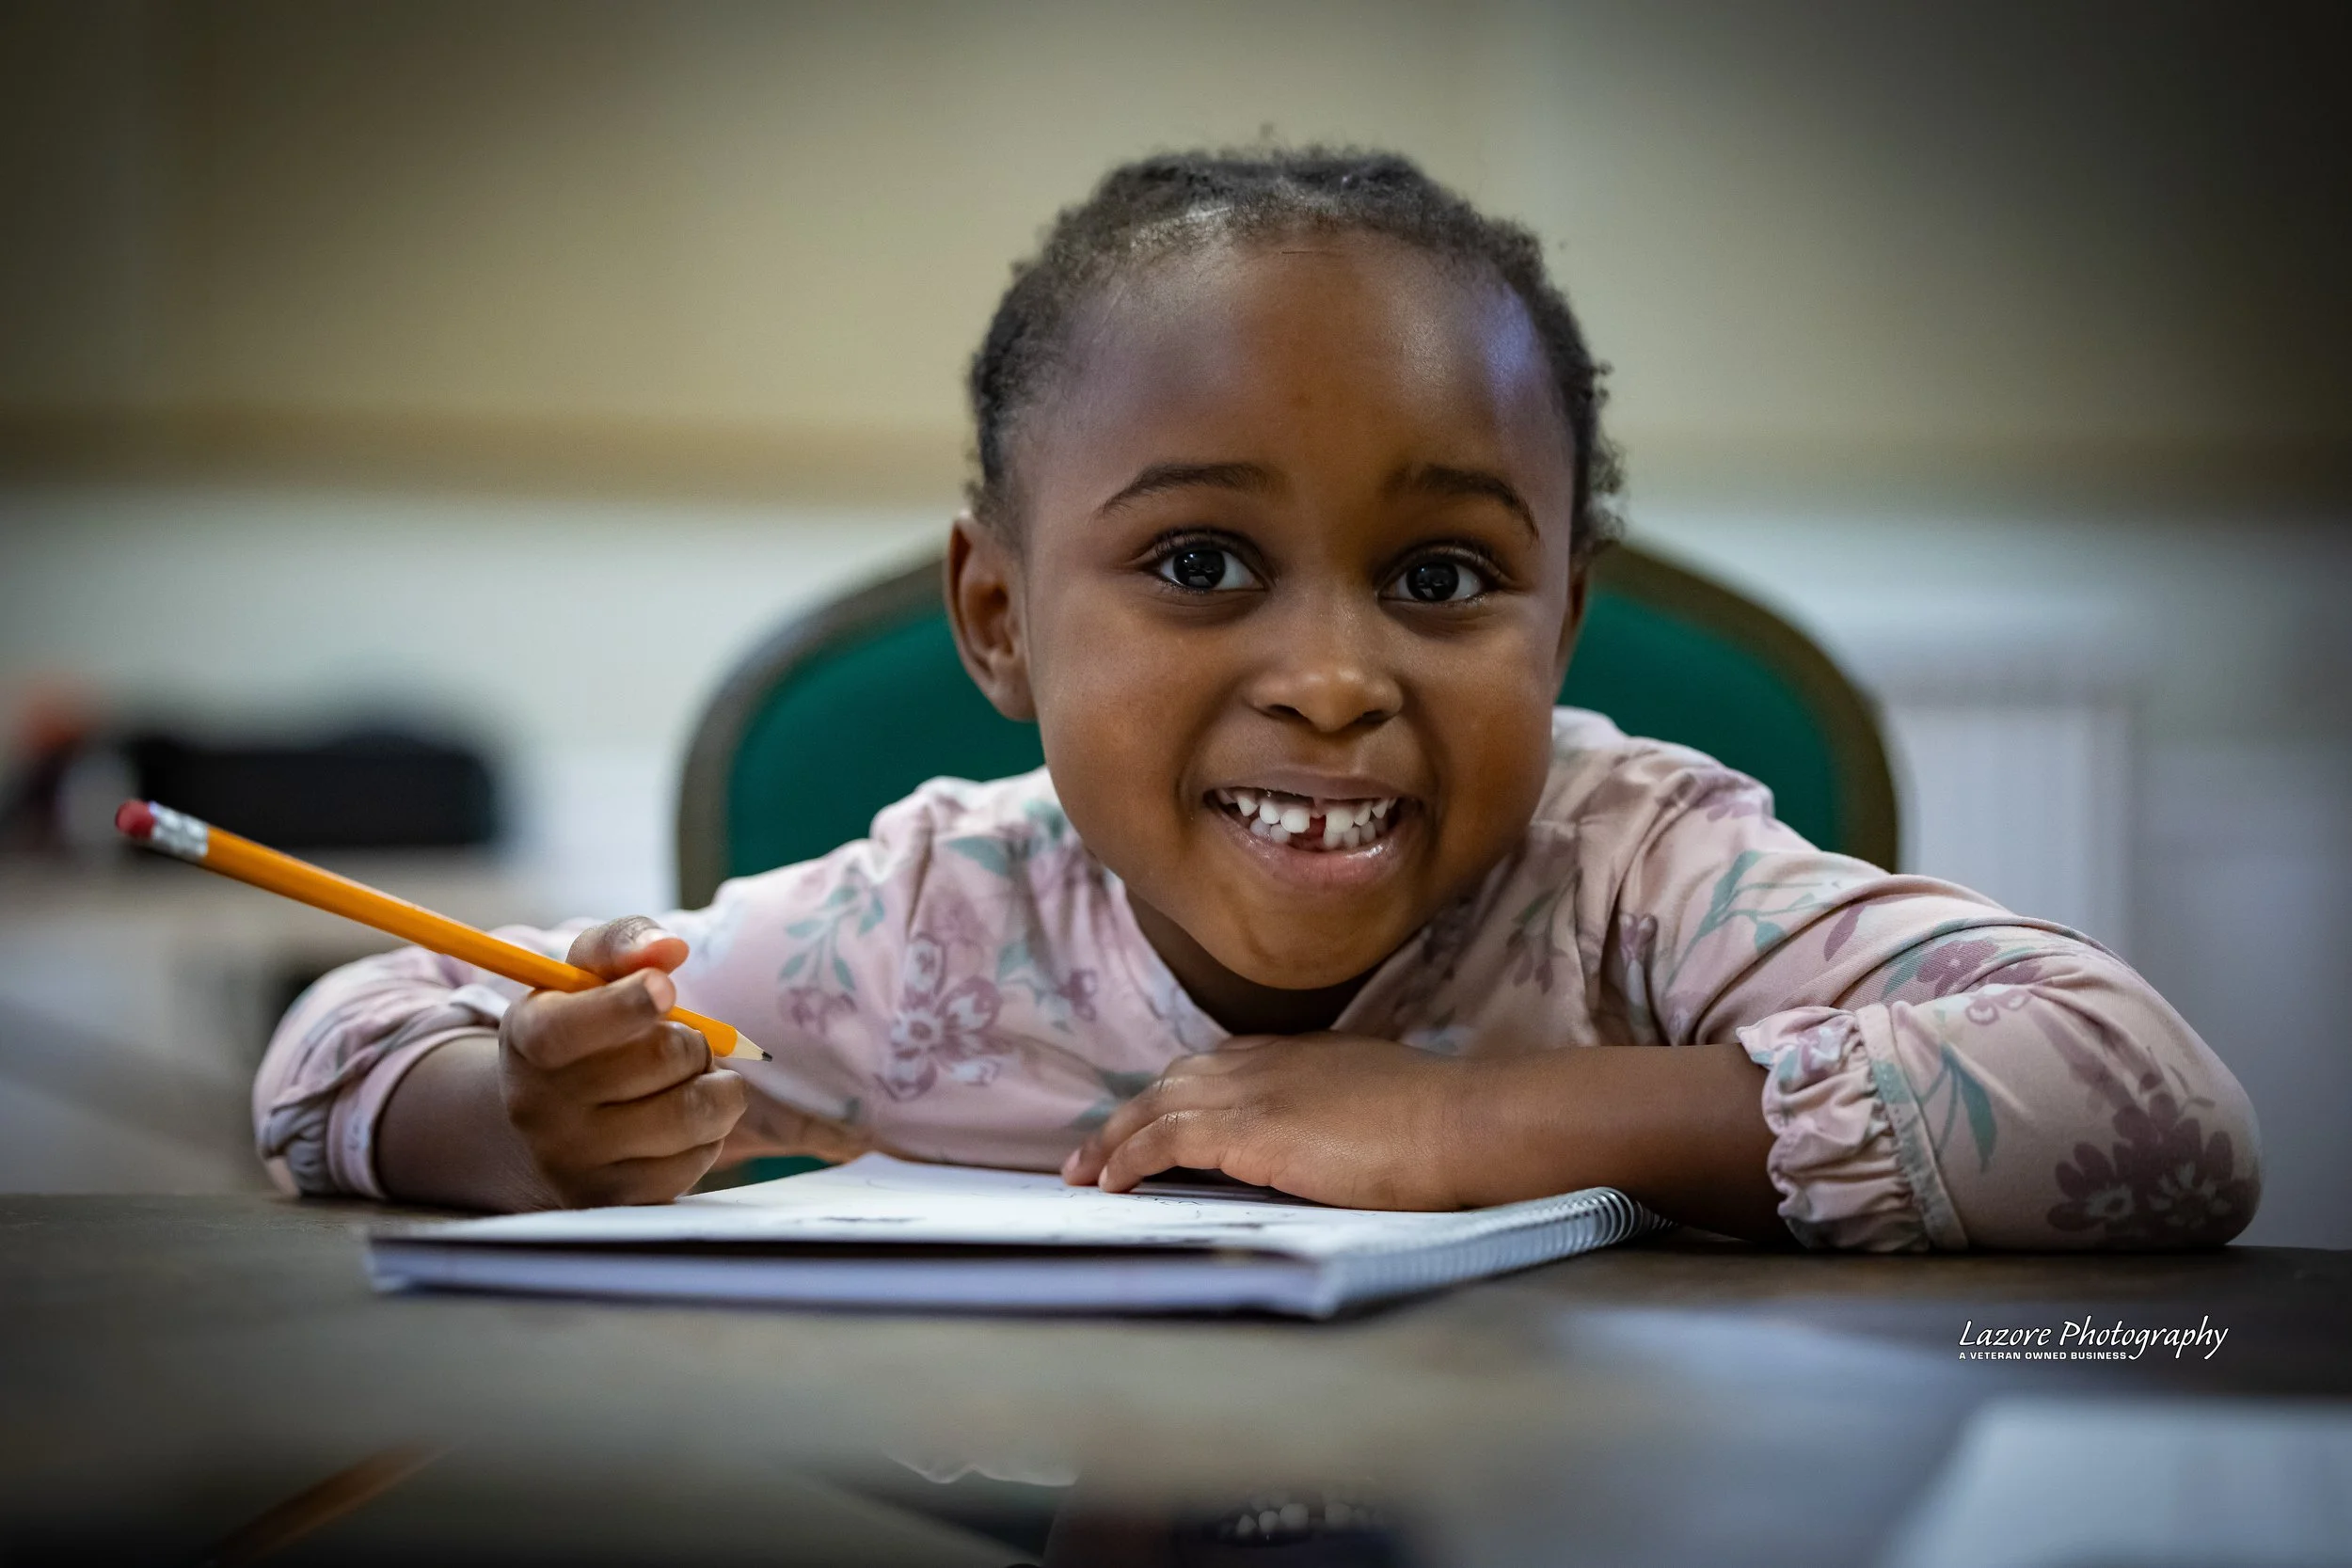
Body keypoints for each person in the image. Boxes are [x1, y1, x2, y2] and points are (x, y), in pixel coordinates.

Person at [257, 149, 2259, 1249]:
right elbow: (342, 1037)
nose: (1327, 676)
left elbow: (2150, 1103)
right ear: (998, 617)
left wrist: (1478, 1123)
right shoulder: (929, 927)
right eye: (1200, 563)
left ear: (1558, 624)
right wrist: (514, 1117)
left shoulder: (1637, 870)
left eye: (1443, 577)